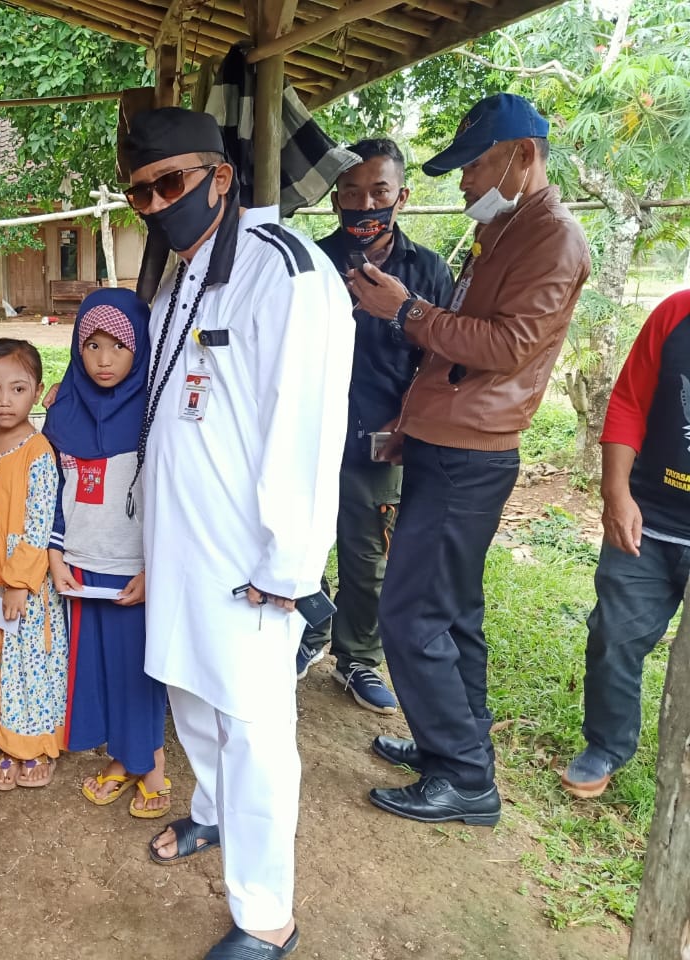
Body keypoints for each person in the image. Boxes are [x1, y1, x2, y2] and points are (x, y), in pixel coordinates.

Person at [126, 108, 354, 959]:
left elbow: (306, 428)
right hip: (181, 543)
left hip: (251, 558)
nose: (156, 204)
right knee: (190, 691)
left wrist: (289, 565)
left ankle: (267, 918)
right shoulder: (181, 276)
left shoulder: (285, 271)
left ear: (221, 177)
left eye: (170, 183)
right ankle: (215, 812)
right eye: (141, 193)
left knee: (254, 727)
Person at [348, 93, 591, 825]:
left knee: (409, 613)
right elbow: (458, 347)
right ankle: (452, 746)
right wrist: (412, 421)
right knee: (452, 613)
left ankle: (463, 777)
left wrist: (406, 310)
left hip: (471, 455)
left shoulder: (553, 239)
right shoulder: (506, 229)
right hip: (446, 440)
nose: (465, 183)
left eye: (475, 166)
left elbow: (507, 347)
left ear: (523, 156)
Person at [296, 138, 454, 715]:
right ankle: (308, 634)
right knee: (300, 541)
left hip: (384, 438)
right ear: (336, 198)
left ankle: (358, 657)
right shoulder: (310, 263)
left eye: (379, 191)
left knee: (368, 556)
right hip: (307, 434)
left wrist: (407, 417)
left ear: (401, 196)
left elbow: (444, 359)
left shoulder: (428, 270)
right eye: (352, 192)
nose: (365, 204)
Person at [42, 289, 171, 818]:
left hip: (133, 568)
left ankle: (153, 768)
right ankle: (123, 759)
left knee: (137, 672)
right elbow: (50, 491)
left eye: (118, 346)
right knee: (97, 670)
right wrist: (55, 555)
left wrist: (154, 567)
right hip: (79, 564)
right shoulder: (63, 410)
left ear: (140, 348)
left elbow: (171, 498)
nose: (103, 359)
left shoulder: (156, 414)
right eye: (91, 345)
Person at [561, 290, 690, 798]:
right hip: (648, 521)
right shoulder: (676, 313)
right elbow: (630, 402)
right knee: (614, 636)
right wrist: (615, 493)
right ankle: (606, 745)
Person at [0, 340, 69, 789]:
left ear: (37, 392)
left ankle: (36, 745)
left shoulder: (39, 451)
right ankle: (7, 740)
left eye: (18, 389)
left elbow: (40, 523)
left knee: (29, 661)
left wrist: (21, 582)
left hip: (26, 583)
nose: (5, 400)